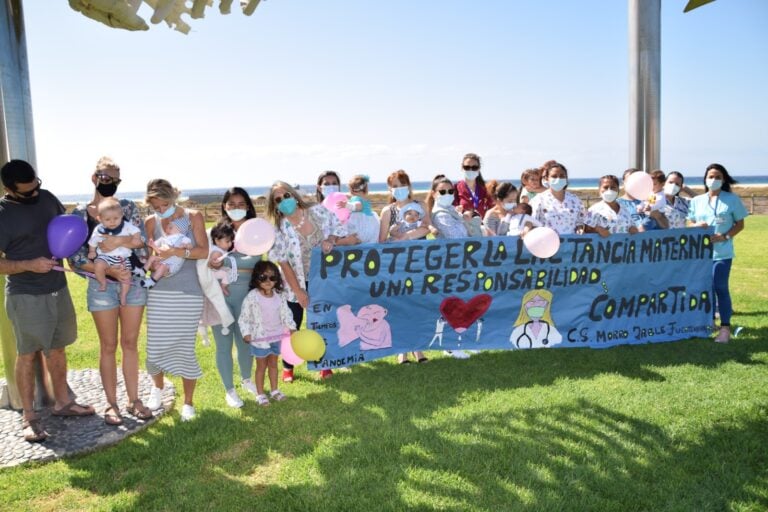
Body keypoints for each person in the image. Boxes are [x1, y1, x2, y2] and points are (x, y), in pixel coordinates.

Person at [1, 159, 95, 443]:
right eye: (26, 192)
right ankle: (29, 417)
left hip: (58, 289)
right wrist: (28, 264)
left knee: (57, 348)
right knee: (27, 354)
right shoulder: (2, 214)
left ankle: (63, 403)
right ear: (9, 189)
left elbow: (67, 231)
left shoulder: (48, 198)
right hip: (26, 295)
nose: (34, 195)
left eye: (35, 187)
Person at [68, 156, 151, 426]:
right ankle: (112, 404)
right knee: (108, 346)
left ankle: (134, 400)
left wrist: (118, 241)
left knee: (130, 344)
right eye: (105, 177)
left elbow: (144, 246)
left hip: (134, 283)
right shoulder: (79, 214)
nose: (110, 183)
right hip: (102, 287)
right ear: (94, 178)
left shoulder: (127, 207)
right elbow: (77, 259)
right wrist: (109, 270)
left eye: (115, 179)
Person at [143, 179, 209, 421]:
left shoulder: (193, 217)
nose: (161, 211)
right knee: (154, 346)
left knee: (184, 347)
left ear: (173, 198)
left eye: (164, 205)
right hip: (159, 292)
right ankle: (157, 389)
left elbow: (203, 250)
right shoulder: (150, 222)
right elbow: (148, 253)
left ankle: (188, 403)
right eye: (156, 207)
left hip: (188, 292)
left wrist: (177, 252)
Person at [267, 181, 347, 380]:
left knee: (321, 321)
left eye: (286, 196)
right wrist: (299, 292)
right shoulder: (278, 229)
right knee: (292, 323)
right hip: (293, 283)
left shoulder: (317, 212)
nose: (283, 201)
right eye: (278, 200)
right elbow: (283, 263)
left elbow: (339, 228)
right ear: (274, 206)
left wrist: (331, 240)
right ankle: (288, 366)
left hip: (322, 278)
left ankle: (323, 362)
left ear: (294, 195)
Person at [206, 187, 260, 407]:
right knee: (223, 344)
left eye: (241, 204)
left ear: (248, 206)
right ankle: (229, 389)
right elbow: (206, 261)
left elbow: (254, 262)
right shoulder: (215, 232)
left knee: (246, 341)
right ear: (224, 206)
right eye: (231, 205)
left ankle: (248, 379)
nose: (236, 209)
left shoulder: (257, 231)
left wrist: (226, 261)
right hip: (220, 295)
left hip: (248, 295)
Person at [687, 163, 748, 344]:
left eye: (718, 177)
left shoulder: (732, 199)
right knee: (706, 289)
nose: (713, 180)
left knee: (720, 287)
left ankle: (725, 329)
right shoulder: (696, 201)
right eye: (710, 177)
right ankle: (709, 324)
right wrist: (696, 226)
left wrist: (725, 235)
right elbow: (689, 222)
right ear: (705, 179)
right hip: (700, 255)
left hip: (722, 254)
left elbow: (740, 224)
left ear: (723, 180)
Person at [378, 170, 430, 364]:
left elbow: (427, 227)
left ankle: (419, 349)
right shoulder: (387, 211)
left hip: (420, 263)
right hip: (397, 265)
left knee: (417, 305)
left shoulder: (420, 206)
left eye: (402, 184)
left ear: (408, 185)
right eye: (395, 185)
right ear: (390, 188)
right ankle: (402, 350)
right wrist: (394, 236)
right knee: (400, 306)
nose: (399, 189)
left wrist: (406, 236)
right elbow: (382, 241)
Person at [427, 175, 473, 360]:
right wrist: (466, 222)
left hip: (460, 262)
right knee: (452, 304)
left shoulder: (451, 210)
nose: (447, 194)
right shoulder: (440, 213)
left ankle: (462, 340)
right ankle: (450, 345)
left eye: (450, 191)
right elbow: (458, 237)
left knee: (462, 302)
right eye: (442, 191)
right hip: (449, 264)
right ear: (434, 193)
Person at [238, 260, 297, 406]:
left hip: (276, 337)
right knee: (261, 366)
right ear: (256, 278)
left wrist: (291, 327)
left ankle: (274, 390)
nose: (268, 281)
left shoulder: (279, 296)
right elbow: (244, 318)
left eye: (272, 277)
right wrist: (246, 333)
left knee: (273, 364)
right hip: (260, 338)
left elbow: (286, 313)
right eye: (263, 277)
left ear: (277, 279)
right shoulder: (252, 297)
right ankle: (260, 394)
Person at [87, 197, 142, 306]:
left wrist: (136, 238)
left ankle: (123, 294)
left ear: (122, 216)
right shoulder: (99, 229)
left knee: (126, 276)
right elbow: (92, 241)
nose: (112, 222)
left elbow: (136, 231)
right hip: (105, 257)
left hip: (122, 258)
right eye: (107, 220)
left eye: (116, 218)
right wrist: (92, 250)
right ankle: (102, 283)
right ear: (100, 218)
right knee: (98, 265)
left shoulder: (126, 226)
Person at [529, 161, 594, 235]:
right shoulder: (538, 200)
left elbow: (580, 222)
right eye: (554, 176)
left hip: (571, 244)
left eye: (562, 176)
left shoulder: (575, 200)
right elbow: (532, 224)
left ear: (566, 178)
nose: (558, 179)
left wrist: (580, 229)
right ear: (547, 178)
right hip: (546, 244)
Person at [140, 221, 192, 288]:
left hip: (172, 265)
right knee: (152, 257)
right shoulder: (165, 239)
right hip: (162, 261)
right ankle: (143, 271)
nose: (167, 230)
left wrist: (186, 246)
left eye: (170, 228)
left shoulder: (183, 238)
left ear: (180, 231)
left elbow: (190, 247)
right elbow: (160, 252)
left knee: (163, 266)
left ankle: (152, 282)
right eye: (167, 228)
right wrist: (153, 245)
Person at [316, 170, 359, 246]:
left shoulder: (348, 206)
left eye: (334, 183)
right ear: (319, 188)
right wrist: (343, 242)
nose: (331, 187)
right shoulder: (315, 211)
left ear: (338, 186)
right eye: (327, 184)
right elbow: (315, 241)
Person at [453, 152, 494, 220]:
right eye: (467, 167)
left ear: (479, 168)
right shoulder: (455, 188)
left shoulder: (486, 189)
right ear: (462, 167)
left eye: (474, 167)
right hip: (465, 228)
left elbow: (493, 209)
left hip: (483, 228)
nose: (470, 170)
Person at [341, 174, 379, 244]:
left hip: (361, 225)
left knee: (349, 231)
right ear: (366, 190)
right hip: (371, 225)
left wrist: (346, 205)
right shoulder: (363, 198)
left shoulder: (356, 198)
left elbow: (358, 206)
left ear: (352, 190)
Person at [208, 222, 236, 296]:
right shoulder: (217, 251)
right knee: (230, 272)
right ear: (217, 241)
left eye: (231, 241)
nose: (230, 244)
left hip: (215, 272)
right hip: (213, 273)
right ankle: (223, 286)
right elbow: (215, 260)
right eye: (227, 241)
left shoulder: (220, 249)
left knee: (229, 271)